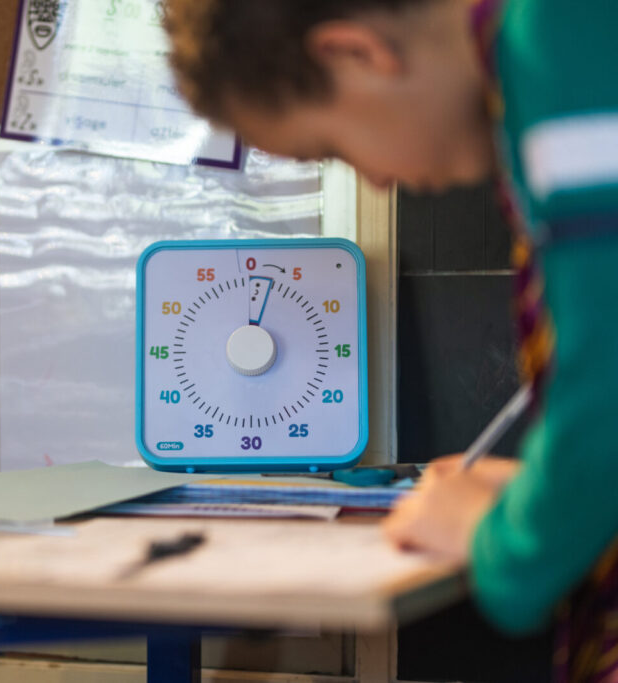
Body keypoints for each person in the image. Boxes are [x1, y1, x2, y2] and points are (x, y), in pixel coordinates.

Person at [163, 0, 618, 679]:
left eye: (333, 148)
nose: (374, 178)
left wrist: (499, 543)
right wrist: (543, 490)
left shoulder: (554, 35)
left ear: (356, 53)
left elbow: (608, 382)